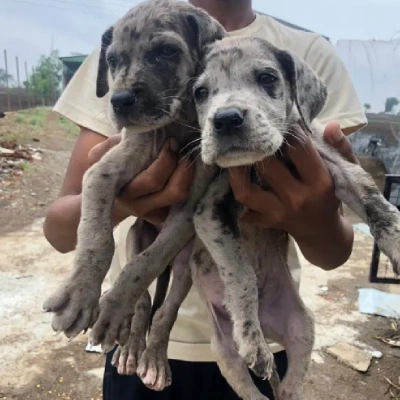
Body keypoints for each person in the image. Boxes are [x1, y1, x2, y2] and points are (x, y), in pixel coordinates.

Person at [44, 0, 367, 399]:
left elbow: (334, 251)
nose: (125, 80)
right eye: (115, 65)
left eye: (165, 52)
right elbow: (59, 230)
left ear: (202, 56)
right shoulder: (128, 36)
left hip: (264, 336)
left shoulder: (305, 53)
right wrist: (126, 204)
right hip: (140, 342)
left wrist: (316, 216)